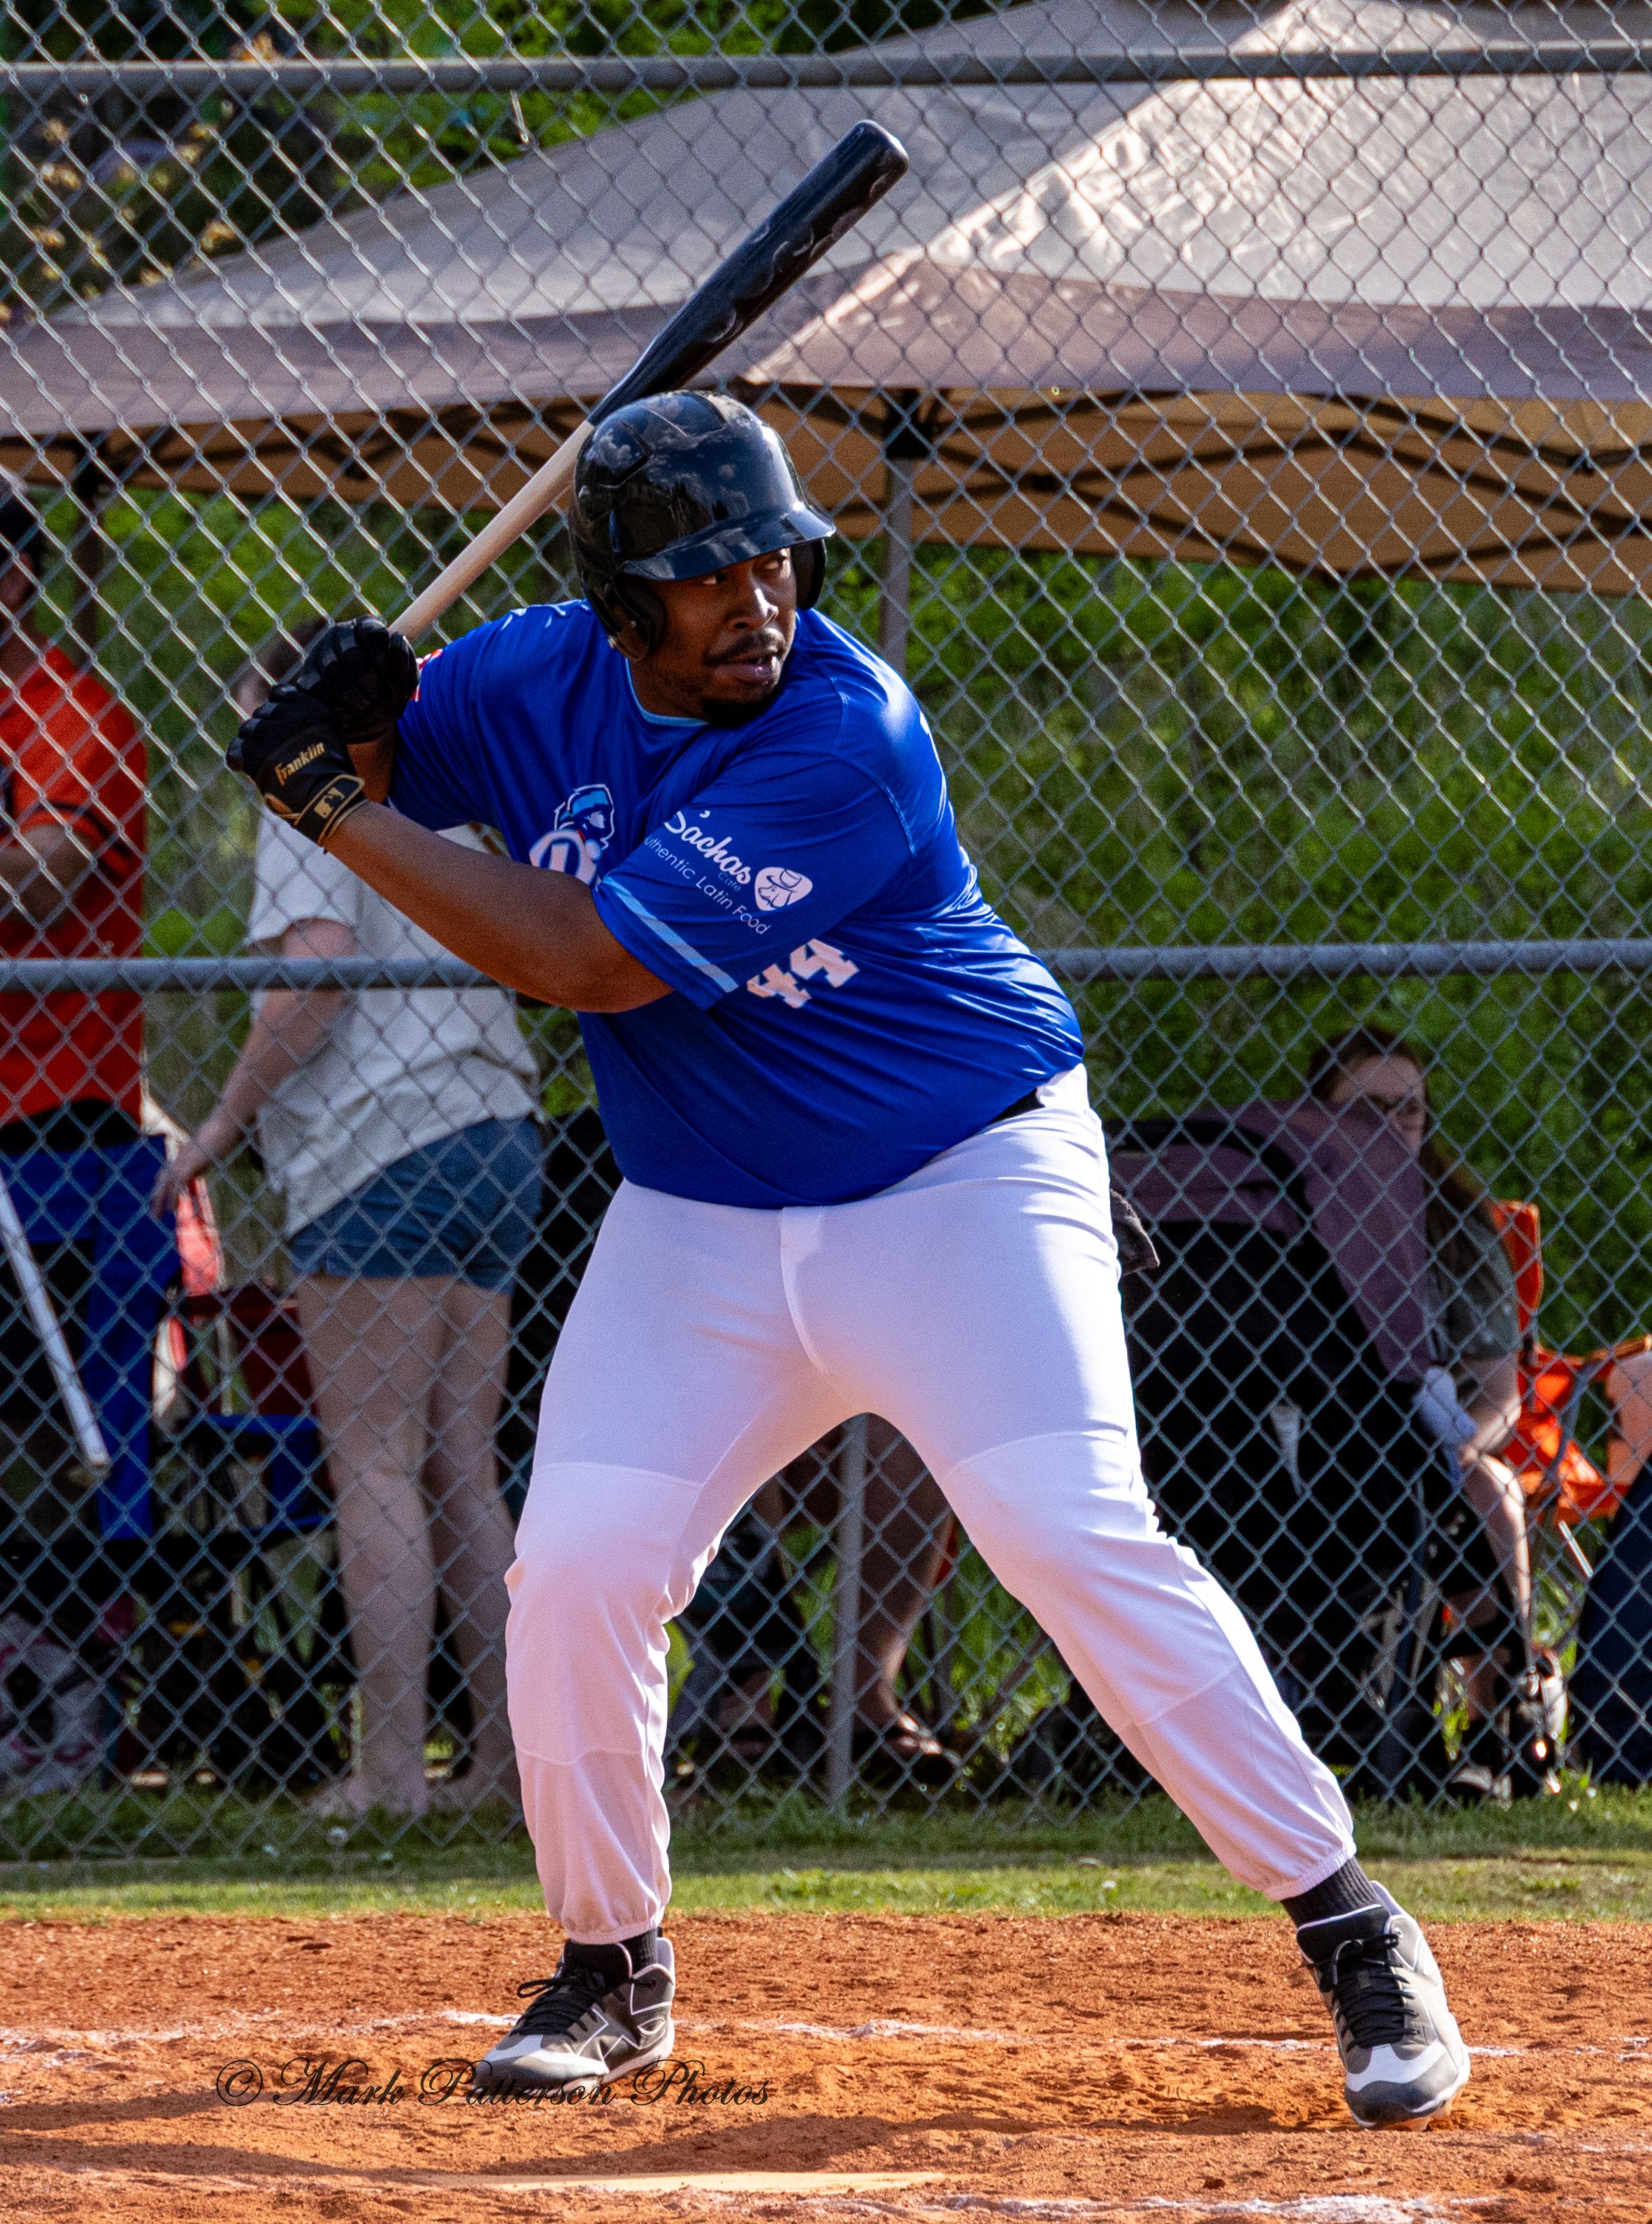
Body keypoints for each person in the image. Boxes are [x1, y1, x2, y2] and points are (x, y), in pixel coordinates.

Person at [228, 392, 1470, 2127]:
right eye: (704, 573)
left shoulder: (846, 727)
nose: (756, 600)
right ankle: (609, 1966)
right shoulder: (523, 677)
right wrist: (329, 727)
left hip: (956, 1178)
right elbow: (376, 762)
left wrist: (337, 816)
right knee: (580, 1561)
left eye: (775, 561)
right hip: (700, 1217)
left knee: (1066, 1529)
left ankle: (1350, 1924)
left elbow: (583, 959)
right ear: (616, 598)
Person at [154, 623, 544, 1818]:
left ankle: (390, 1776)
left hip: (380, 1143)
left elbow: (315, 972)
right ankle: (505, 1765)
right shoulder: (442, 794)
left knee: (371, 1458)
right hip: (497, 1129)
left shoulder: (310, 791)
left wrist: (217, 1127)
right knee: (460, 1468)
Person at [0, 478, 163, 1683]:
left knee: (45, 1421)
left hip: (57, 1129)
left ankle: (62, 1676)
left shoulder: (70, 712)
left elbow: (36, 884)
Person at [1307, 1025, 1540, 1796]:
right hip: (1297, 1452)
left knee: (1493, 1497)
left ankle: (1493, 1730)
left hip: (1426, 1450)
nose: (1390, 1125)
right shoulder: (1274, 1208)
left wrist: (1461, 1449)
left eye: (1406, 1110)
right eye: (1364, 1107)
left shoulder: (1454, 1221)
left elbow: (1497, 1390)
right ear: (1316, 1114)